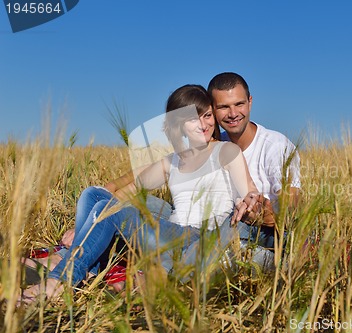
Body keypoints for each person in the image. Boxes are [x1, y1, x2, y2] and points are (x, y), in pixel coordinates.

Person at [19, 84, 260, 303]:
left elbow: (249, 190)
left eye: (207, 116)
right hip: (168, 232)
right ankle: (86, 270)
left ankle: (59, 281)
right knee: (93, 195)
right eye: (193, 119)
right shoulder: (172, 162)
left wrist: (250, 200)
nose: (204, 124)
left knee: (106, 210)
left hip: (198, 238)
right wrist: (87, 223)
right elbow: (130, 190)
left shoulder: (225, 151)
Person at [207, 72, 301, 249]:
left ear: (250, 102)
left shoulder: (275, 146)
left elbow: (292, 208)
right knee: (146, 209)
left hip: (262, 236)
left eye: (239, 104)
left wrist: (260, 213)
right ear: (212, 109)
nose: (233, 113)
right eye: (223, 107)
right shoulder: (214, 145)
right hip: (217, 228)